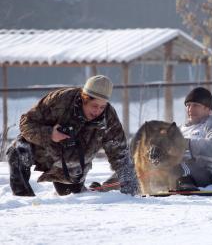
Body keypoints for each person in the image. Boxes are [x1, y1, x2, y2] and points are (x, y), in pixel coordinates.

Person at [7, 75, 139, 196]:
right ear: (84, 98)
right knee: (18, 149)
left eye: (102, 107)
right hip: (45, 151)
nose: (98, 111)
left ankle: (93, 189)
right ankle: (23, 197)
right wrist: (50, 134)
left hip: (73, 166)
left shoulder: (108, 116)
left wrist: (129, 186)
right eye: (94, 106)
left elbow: (120, 154)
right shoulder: (60, 100)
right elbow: (27, 123)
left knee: (73, 197)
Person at [174, 87, 212, 190]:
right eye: (188, 105)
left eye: (195, 105)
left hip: (207, 173)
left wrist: (186, 143)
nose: (190, 109)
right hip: (181, 169)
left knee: (179, 168)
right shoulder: (180, 129)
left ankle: (184, 184)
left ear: (208, 109)